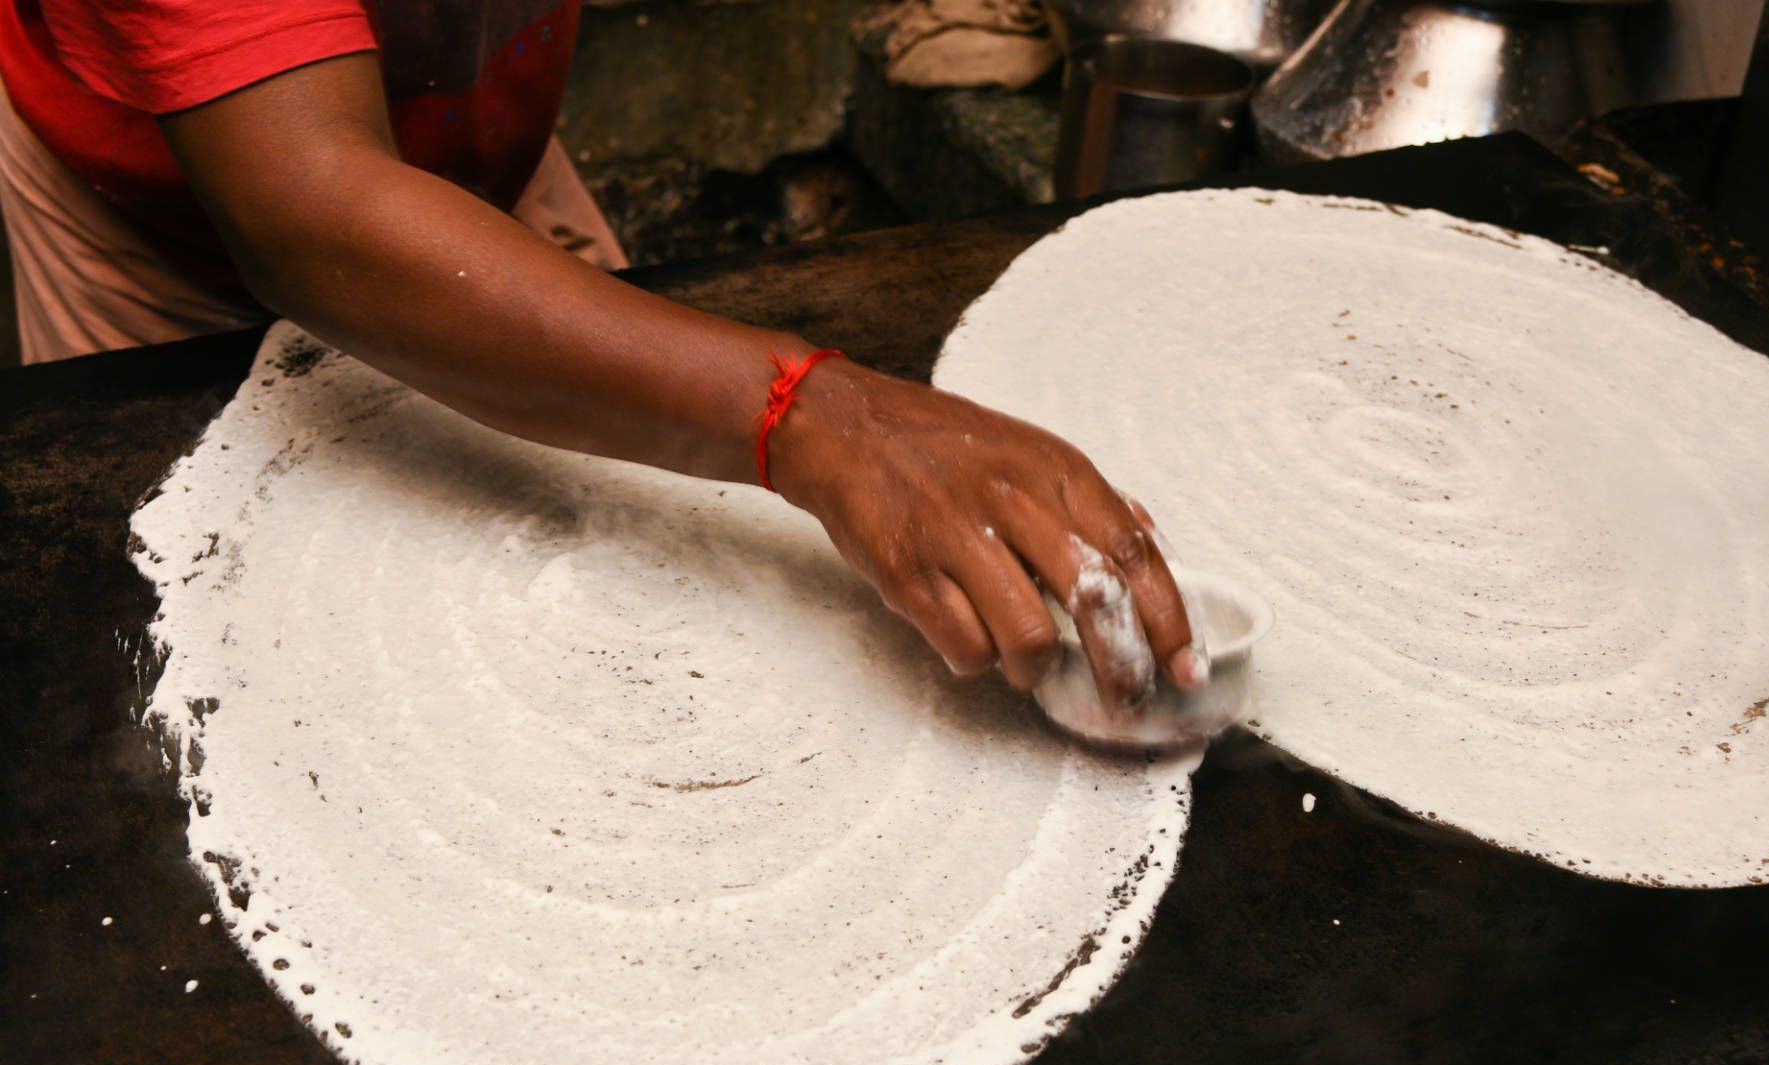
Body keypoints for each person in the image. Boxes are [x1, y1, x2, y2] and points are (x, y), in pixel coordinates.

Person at [0, 1, 1205, 711]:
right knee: (233, 664)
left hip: (478, 153)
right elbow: (312, 211)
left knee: (640, 575)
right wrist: (821, 418)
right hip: (171, 224)